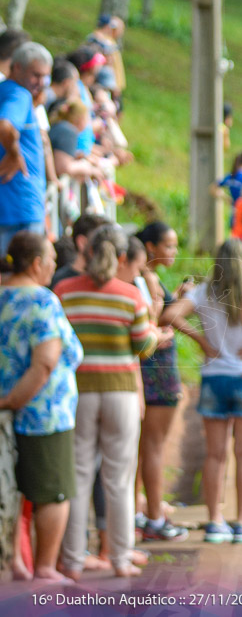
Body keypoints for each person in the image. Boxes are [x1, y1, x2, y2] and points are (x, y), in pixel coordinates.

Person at [55, 225, 158, 579]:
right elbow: (143, 346)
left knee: (79, 474)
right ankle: (119, 557)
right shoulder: (130, 295)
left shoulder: (64, 291)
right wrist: (156, 332)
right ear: (120, 257)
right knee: (118, 477)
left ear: (87, 252)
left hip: (78, 391)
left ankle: (71, 559)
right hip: (121, 393)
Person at [163, 239, 242, 544]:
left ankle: (214, 522)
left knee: (216, 454)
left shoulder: (204, 292)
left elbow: (169, 316)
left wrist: (202, 341)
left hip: (214, 378)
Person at [0, 232, 84, 583]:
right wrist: (13, 400)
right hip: (43, 413)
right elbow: (45, 363)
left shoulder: (2, 296)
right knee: (53, 491)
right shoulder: (42, 300)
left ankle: (17, 563)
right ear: (35, 264)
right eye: (50, 258)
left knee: (12, 490)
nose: (54, 264)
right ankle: (46, 567)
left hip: (8, 411)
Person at [135, 222, 189, 542]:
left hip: (152, 368)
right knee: (153, 447)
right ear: (151, 247)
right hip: (157, 368)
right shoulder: (145, 278)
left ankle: (143, 509)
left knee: (146, 447)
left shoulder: (147, 278)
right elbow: (151, 325)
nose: (174, 252)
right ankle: (154, 517)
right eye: (169, 245)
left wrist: (176, 298)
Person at [0, 42, 52, 258]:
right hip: (21, 207)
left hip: (11, 204)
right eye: (35, 75)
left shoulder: (9, 91)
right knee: (23, 277)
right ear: (17, 67)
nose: (40, 83)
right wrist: (14, 154)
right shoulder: (19, 94)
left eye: (45, 77)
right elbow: (5, 125)